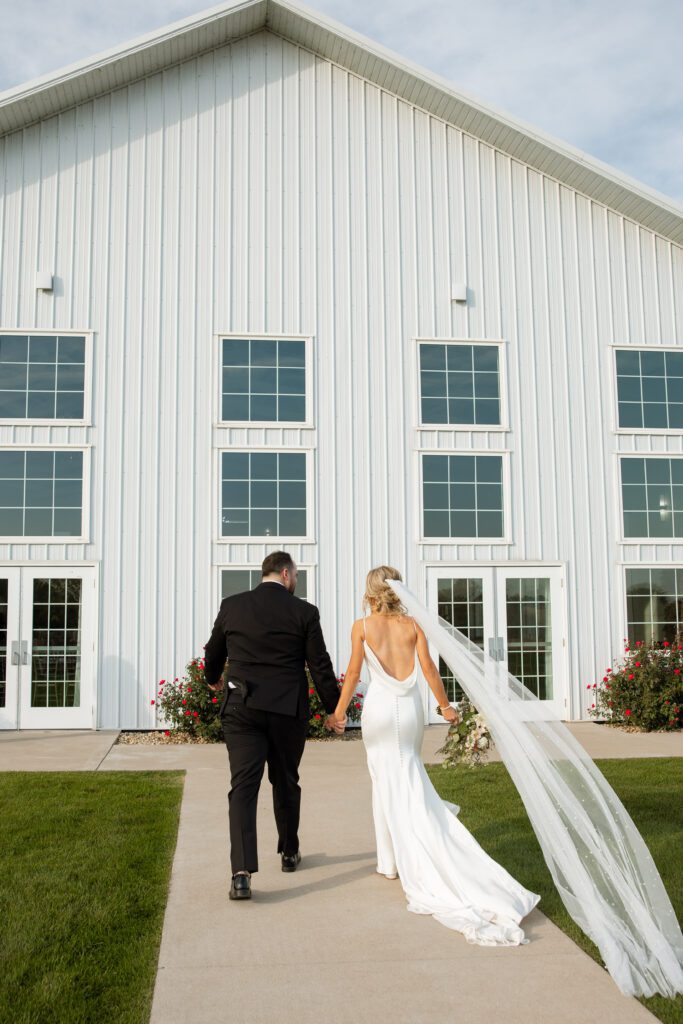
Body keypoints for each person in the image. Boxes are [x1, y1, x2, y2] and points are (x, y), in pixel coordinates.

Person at [326, 564, 542, 945]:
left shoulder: (362, 627)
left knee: (384, 780)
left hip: (377, 712)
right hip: (409, 712)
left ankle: (390, 863)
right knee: (404, 774)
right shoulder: (413, 625)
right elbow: (428, 668)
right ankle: (393, 857)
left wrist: (340, 712)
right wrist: (445, 708)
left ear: (372, 592)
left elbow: (354, 671)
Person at [203, 551, 343, 900]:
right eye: (295, 576)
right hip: (286, 712)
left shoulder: (232, 605)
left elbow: (213, 651)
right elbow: (320, 665)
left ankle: (240, 874)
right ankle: (289, 851)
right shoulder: (304, 612)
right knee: (285, 780)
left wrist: (212, 678)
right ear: (285, 573)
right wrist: (335, 710)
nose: (296, 582)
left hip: (241, 708)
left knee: (243, 787)